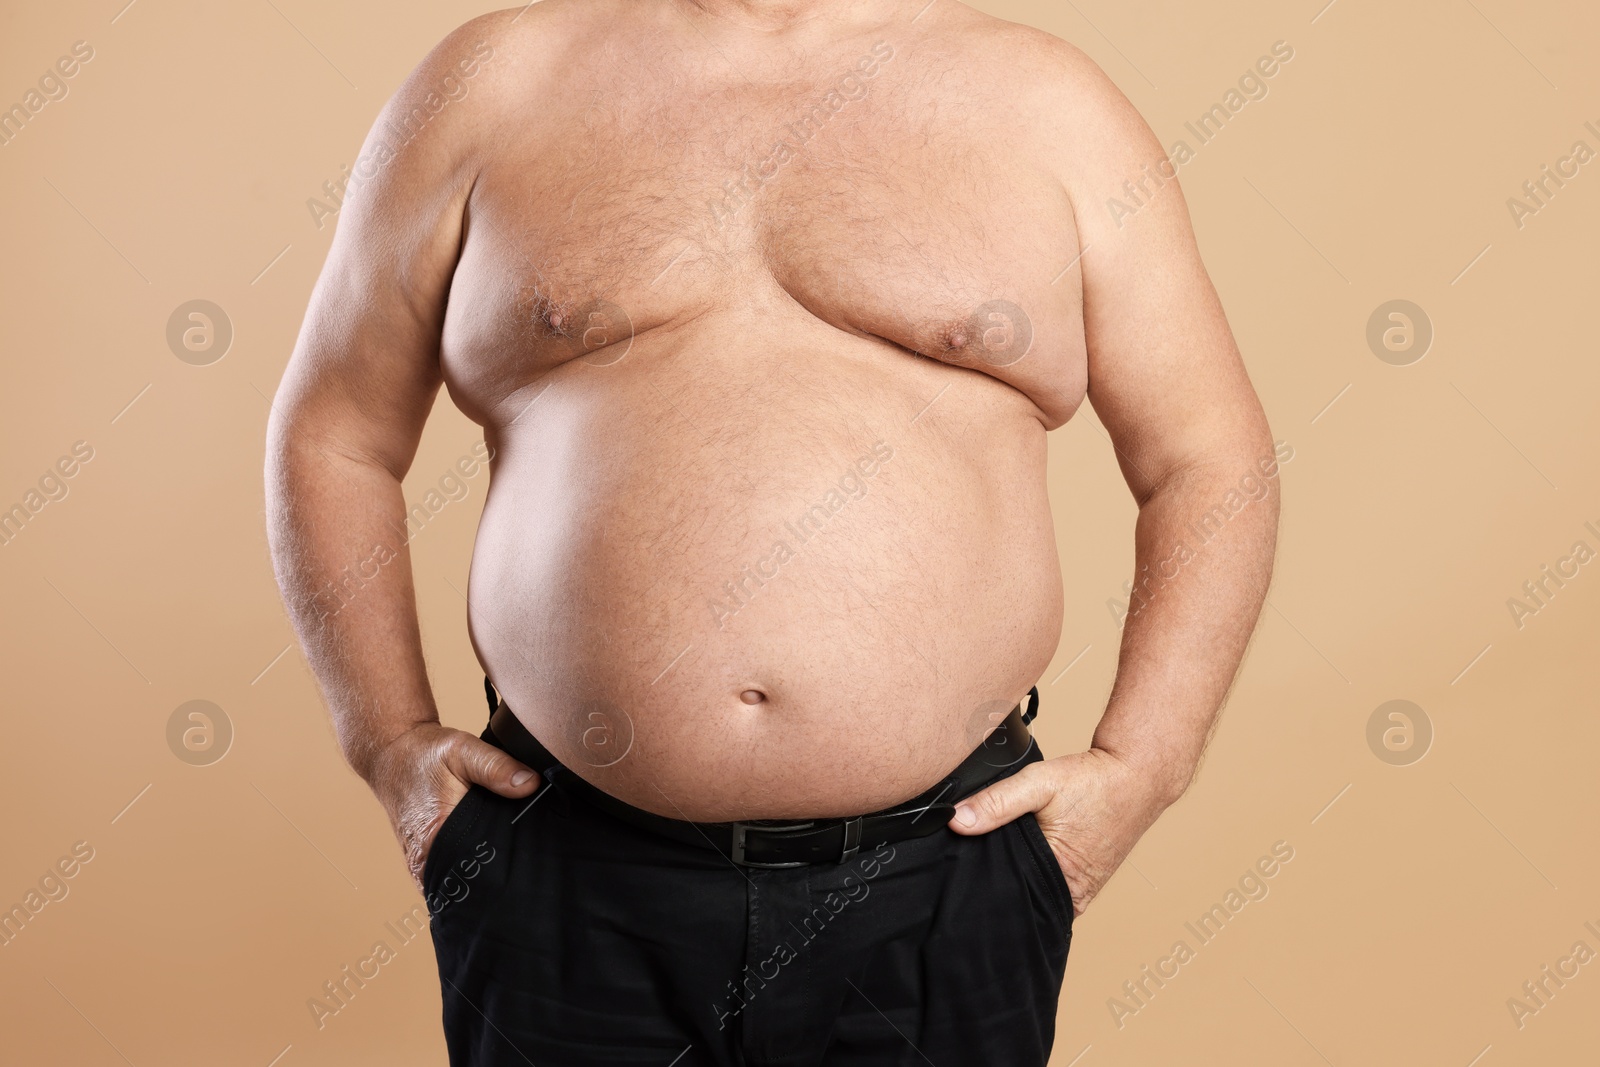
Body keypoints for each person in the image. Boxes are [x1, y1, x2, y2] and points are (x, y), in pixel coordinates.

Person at [266, 1, 1280, 1062]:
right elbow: (334, 432)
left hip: (941, 874)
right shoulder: (493, 81)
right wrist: (385, 742)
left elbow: (1207, 458)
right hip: (561, 866)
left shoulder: (1047, 105)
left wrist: (1140, 765)